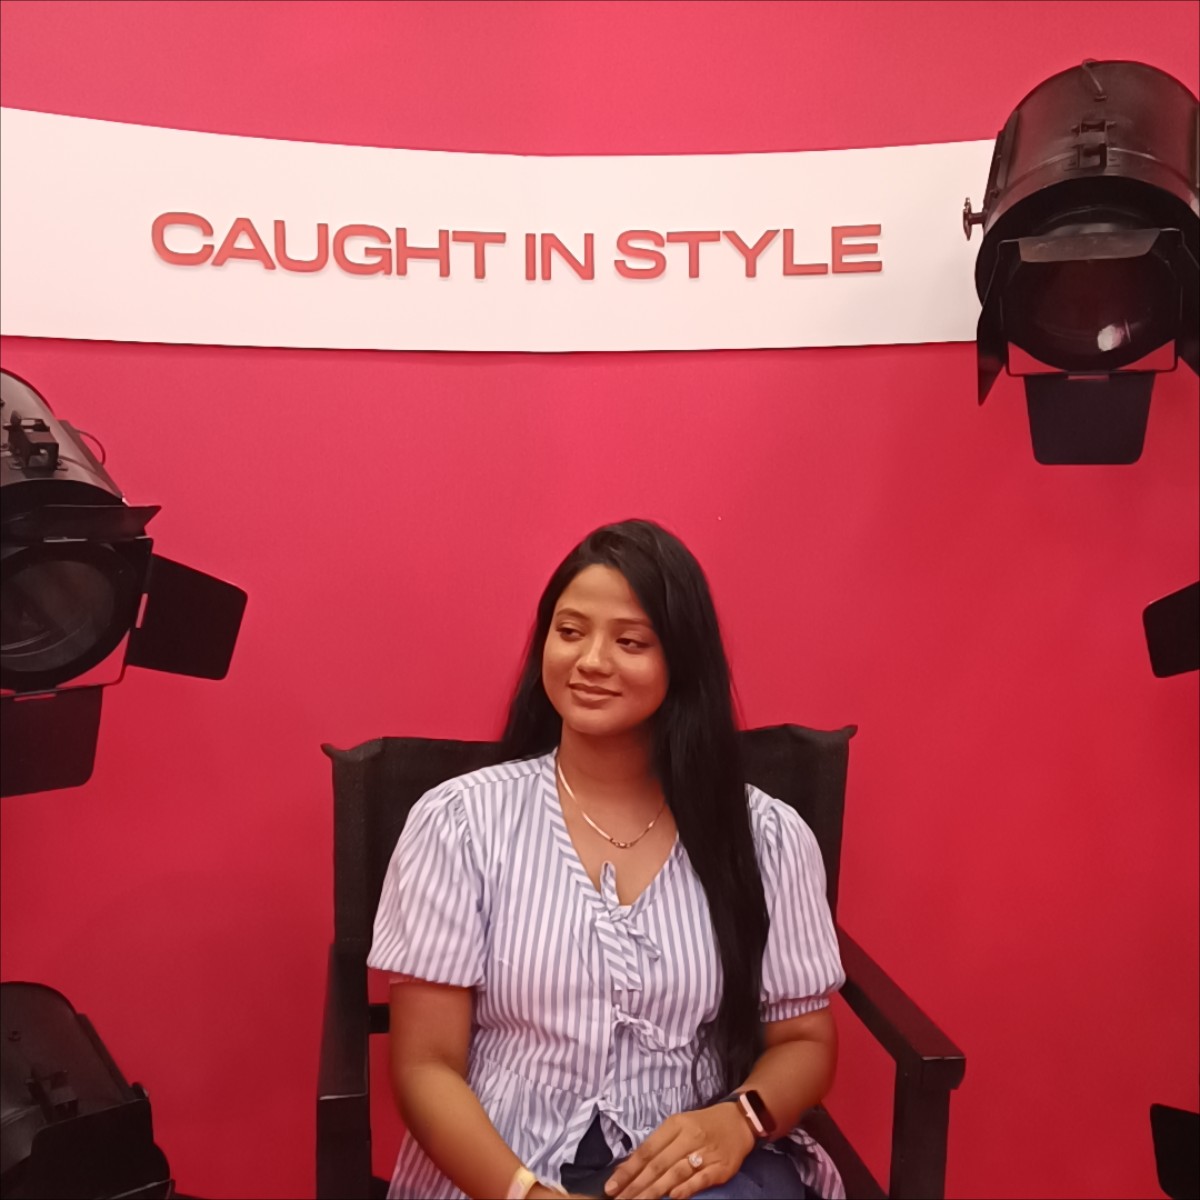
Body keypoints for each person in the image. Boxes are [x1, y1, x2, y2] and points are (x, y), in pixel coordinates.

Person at [368, 519, 846, 1200]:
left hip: (693, 1173)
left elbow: (805, 1040)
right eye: (570, 632)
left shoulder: (765, 836)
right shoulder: (460, 823)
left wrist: (738, 1120)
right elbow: (426, 1065)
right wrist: (527, 1195)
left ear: (682, 661)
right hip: (504, 1167)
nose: (591, 661)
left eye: (630, 642)